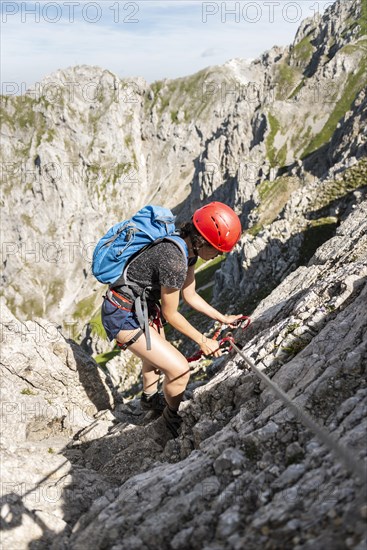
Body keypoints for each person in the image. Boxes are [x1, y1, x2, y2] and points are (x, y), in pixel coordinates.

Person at [101, 202, 243, 438]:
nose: (218, 255)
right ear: (203, 241)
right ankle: (169, 422)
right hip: (123, 314)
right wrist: (203, 340)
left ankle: (149, 400)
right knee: (179, 370)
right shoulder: (174, 259)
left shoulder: (186, 250)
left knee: (157, 359)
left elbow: (190, 295)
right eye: (218, 250)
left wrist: (223, 318)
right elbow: (171, 314)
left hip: (139, 308)